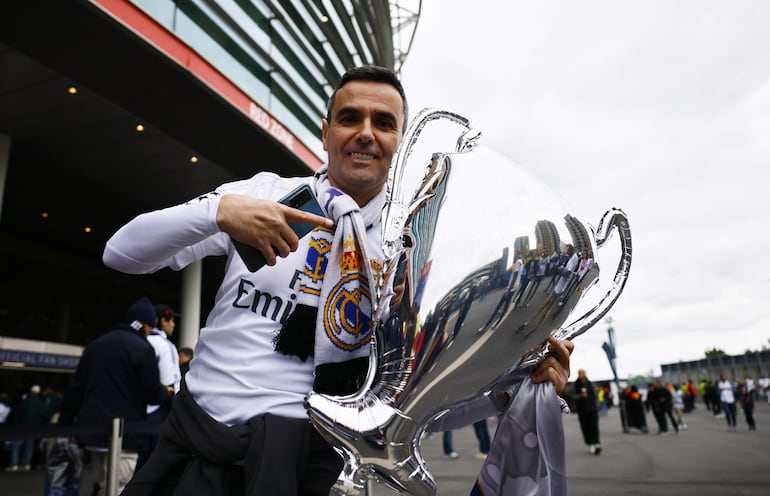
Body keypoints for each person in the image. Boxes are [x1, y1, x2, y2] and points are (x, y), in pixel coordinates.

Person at [102, 65, 573, 495]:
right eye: (351, 118)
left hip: (304, 472)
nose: (366, 134)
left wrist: (511, 389)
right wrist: (218, 213)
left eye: (384, 123)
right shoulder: (260, 194)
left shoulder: (410, 257)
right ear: (326, 132)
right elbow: (121, 254)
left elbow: (409, 402)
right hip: (192, 454)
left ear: (401, 141)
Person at [58, 297, 171, 495]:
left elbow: (76, 389)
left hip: (93, 431)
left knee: (103, 485)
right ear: (145, 324)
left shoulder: (96, 345)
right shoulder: (143, 348)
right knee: (120, 487)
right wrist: (166, 392)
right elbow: (151, 393)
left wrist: (65, 425)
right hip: (126, 434)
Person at [135, 304, 182, 471]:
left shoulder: (154, 341)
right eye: (172, 321)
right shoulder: (158, 343)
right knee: (152, 462)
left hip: (155, 407)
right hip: (158, 408)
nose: (174, 325)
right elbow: (165, 379)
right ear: (164, 320)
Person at [5, 384, 51, 472]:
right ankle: (26, 464)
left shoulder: (25, 401)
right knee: (29, 446)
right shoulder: (41, 403)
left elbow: (18, 414)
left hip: (22, 427)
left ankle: (14, 464)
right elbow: (47, 415)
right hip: (33, 428)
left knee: (17, 445)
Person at [574, 369, 602, 454]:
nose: (582, 375)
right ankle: (590, 443)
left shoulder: (590, 383)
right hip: (582, 410)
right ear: (578, 374)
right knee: (585, 427)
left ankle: (596, 442)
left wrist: (597, 405)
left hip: (592, 408)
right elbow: (571, 396)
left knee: (594, 425)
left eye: (583, 373)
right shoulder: (575, 385)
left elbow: (595, 395)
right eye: (580, 373)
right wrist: (580, 396)